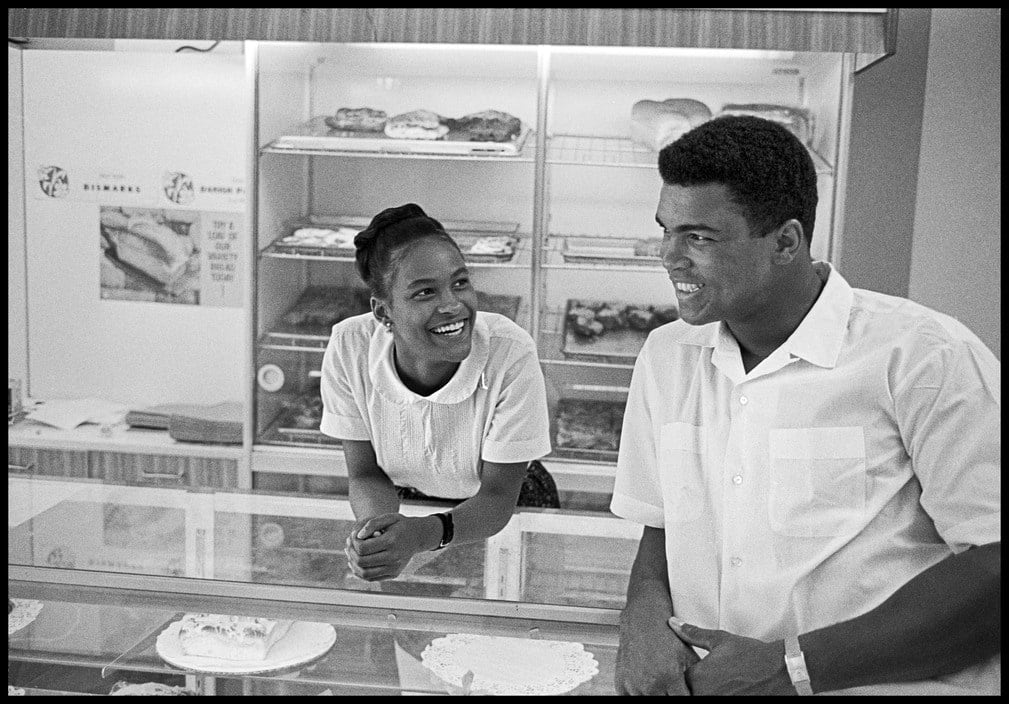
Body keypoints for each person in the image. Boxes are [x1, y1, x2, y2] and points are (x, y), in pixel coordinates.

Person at [610, 115, 1000, 695]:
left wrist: (796, 667)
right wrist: (641, 616)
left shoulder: (923, 355)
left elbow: (994, 563)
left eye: (700, 237)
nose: (669, 256)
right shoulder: (667, 355)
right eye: (666, 230)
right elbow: (664, 525)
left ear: (786, 242)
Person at [319, 203, 556, 584]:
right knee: (417, 638)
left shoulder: (509, 352)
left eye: (460, 283)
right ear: (383, 313)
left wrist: (419, 535)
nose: (452, 306)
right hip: (405, 508)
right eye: (426, 292)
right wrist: (378, 534)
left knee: (507, 631)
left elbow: (496, 497)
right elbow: (364, 473)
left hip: (500, 510)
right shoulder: (350, 347)